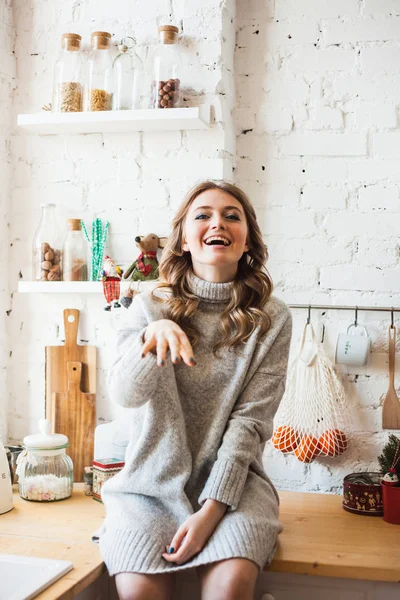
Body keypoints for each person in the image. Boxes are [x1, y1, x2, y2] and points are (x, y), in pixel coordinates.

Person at [95, 180, 293, 600]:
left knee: (230, 588)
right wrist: (153, 336)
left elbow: (250, 424)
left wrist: (211, 511)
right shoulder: (149, 306)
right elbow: (125, 394)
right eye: (202, 215)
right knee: (139, 594)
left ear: (248, 241)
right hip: (149, 487)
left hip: (235, 489)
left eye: (231, 215)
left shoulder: (271, 320)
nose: (216, 222)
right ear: (184, 239)